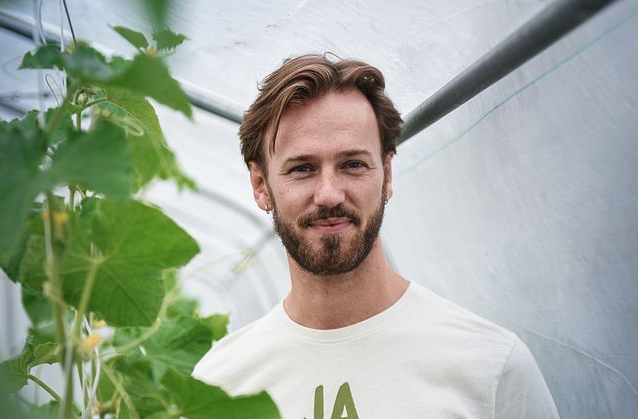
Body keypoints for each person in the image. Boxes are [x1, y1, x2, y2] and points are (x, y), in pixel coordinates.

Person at [192, 54, 559, 418]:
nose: (330, 194)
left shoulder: (489, 369)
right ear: (261, 185)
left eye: (353, 164)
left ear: (386, 172)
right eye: (302, 168)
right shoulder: (219, 385)